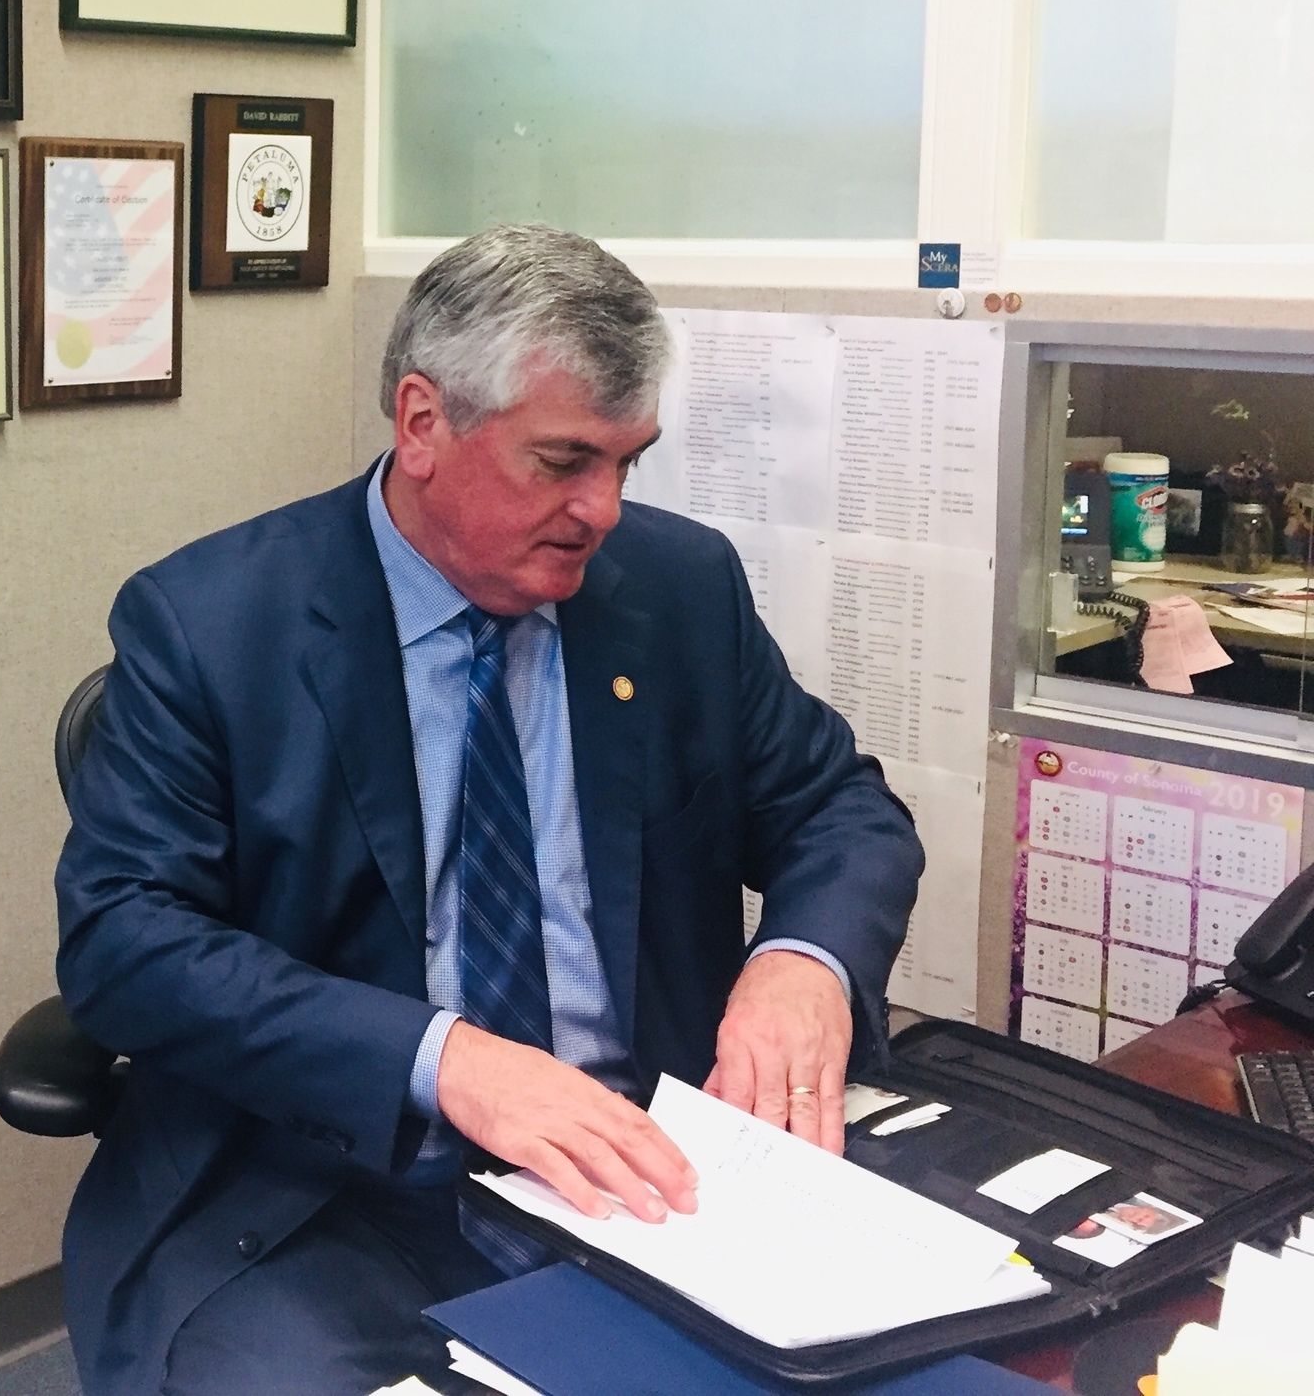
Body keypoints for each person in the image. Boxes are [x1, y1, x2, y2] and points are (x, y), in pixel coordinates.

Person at [54, 224, 923, 1394]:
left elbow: (839, 808)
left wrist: (805, 960)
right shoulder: (211, 624)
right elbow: (124, 943)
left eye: (628, 461)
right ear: (423, 423)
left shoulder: (677, 588)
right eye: (562, 461)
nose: (604, 507)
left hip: (644, 1166)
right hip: (328, 1192)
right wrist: (442, 1057)